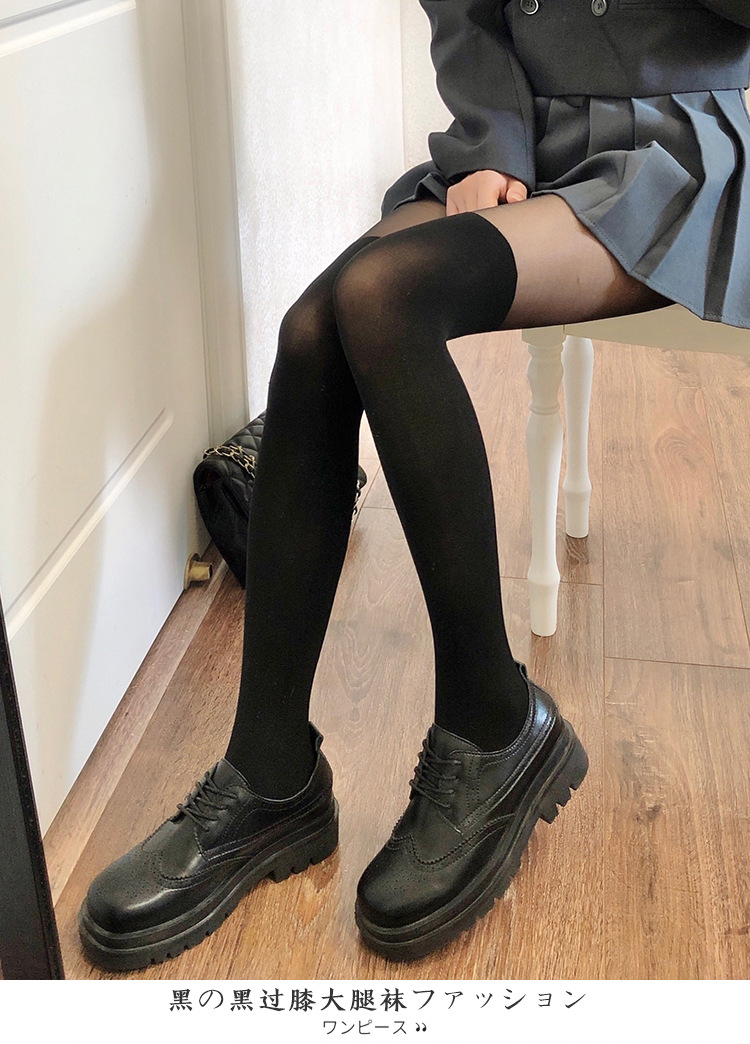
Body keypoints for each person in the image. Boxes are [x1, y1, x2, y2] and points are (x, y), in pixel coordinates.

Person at [77, 0, 750, 970]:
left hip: (676, 149)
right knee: (313, 330)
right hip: (528, 139)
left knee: (383, 297)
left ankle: (491, 720)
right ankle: (269, 770)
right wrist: (495, 138)